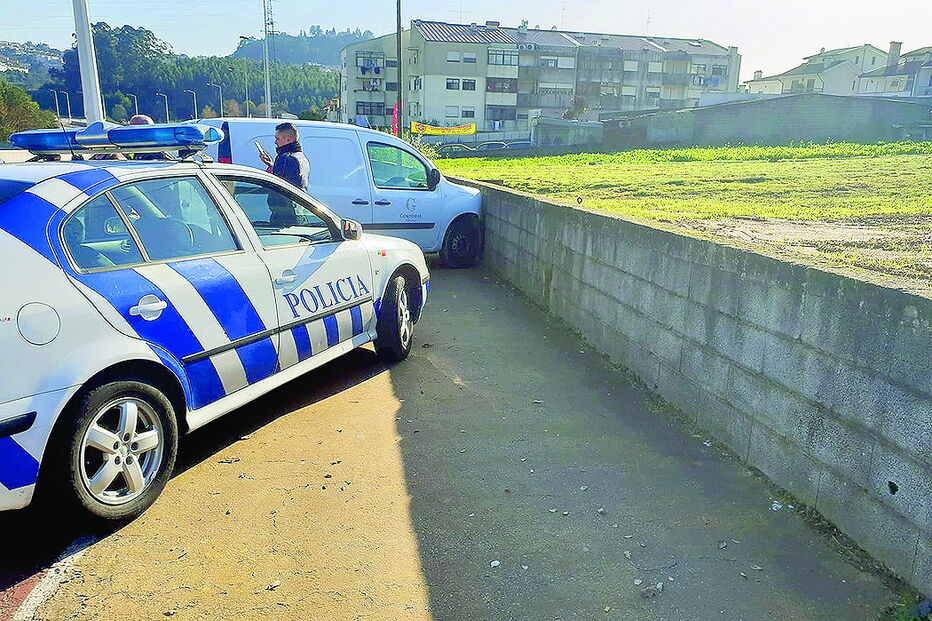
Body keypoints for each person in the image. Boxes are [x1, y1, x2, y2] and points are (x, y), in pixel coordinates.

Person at [259, 122, 309, 191]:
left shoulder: (286, 158)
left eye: (277, 138)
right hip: (297, 200)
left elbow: (275, 183)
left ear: (288, 140)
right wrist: (271, 165)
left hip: (283, 201)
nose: (275, 142)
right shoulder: (301, 157)